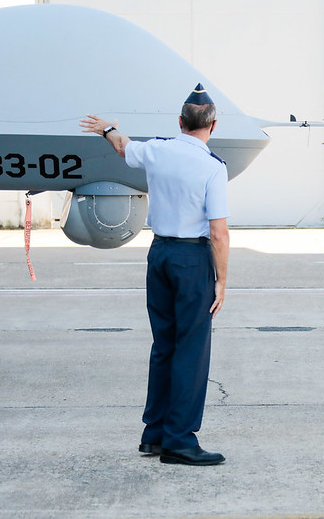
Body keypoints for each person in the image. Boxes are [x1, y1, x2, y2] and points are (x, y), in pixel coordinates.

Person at [79, 84, 229, 466]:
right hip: (192, 259)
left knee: (164, 346)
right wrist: (222, 280)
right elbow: (218, 232)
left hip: (160, 253)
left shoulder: (158, 150)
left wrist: (107, 128)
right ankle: (180, 440)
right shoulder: (213, 167)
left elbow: (122, 146)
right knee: (191, 350)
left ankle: (155, 434)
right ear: (213, 125)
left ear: (180, 122)